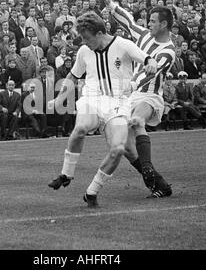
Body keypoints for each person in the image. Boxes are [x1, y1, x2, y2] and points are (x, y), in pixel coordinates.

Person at [48, 11, 152, 208]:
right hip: (92, 99)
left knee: (118, 150)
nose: (85, 43)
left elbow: (147, 59)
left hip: (118, 103)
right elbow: (72, 77)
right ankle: (66, 174)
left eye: (87, 38)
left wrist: (152, 63)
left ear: (99, 33)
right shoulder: (84, 51)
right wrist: (60, 97)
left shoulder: (123, 45)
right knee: (79, 130)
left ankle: (92, 191)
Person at [97, 0, 175, 198]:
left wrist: (132, 84)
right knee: (125, 148)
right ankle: (159, 184)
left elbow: (152, 72)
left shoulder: (168, 51)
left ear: (164, 24)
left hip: (149, 96)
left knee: (138, 120)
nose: (148, 23)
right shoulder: (143, 36)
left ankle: (147, 167)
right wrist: (112, 5)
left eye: (152, 21)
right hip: (130, 95)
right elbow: (128, 21)